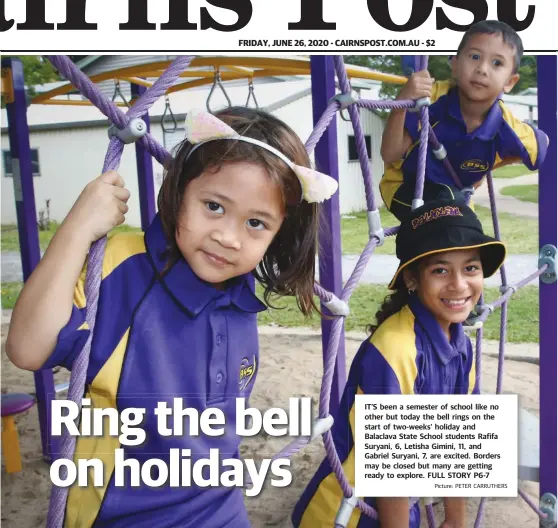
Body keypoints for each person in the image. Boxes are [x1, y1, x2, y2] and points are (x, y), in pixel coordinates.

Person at [5, 106, 339, 527]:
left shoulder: (240, 285)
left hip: (222, 509)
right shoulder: (122, 268)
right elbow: (27, 348)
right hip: (123, 516)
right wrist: (77, 228)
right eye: (214, 206)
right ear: (180, 190)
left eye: (256, 222)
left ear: (277, 234)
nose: (229, 237)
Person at [292, 199, 507, 528]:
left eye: (471, 268)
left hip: (403, 503)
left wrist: (455, 520)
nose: (459, 284)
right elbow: (390, 476)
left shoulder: (461, 344)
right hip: (350, 512)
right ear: (411, 279)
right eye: (439, 269)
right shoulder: (395, 350)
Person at [380, 20, 549, 221]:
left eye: (497, 63)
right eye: (475, 57)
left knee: (472, 236)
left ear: (510, 82)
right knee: (452, 210)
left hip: (458, 201)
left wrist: (491, 165)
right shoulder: (431, 100)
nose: (482, 69)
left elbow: (541, 145)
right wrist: (403, 102)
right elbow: (390, 155)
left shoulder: (506, 124)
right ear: (455, 63)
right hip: (405, 188)